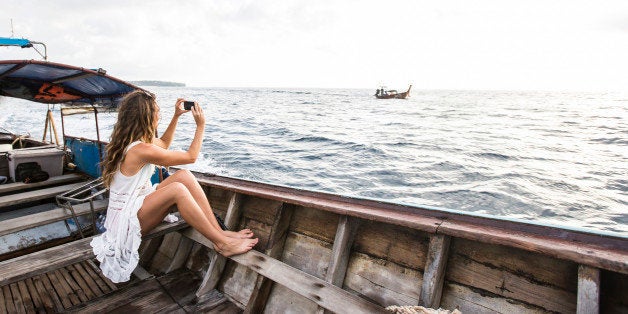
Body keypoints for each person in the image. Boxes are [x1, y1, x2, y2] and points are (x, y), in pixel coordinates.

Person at [91, 90, 258, 283]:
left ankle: (221, 232)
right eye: (157, 111)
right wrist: (201, 125)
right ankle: (222, 243)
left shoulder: (133, 142)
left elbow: (163, 143)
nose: (159, 115)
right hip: (126, 222)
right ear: (146, 117)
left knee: (184, 176)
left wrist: (176, 116)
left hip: (131, 207)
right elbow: (191, 157)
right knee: (177, 190)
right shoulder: (140, 149)